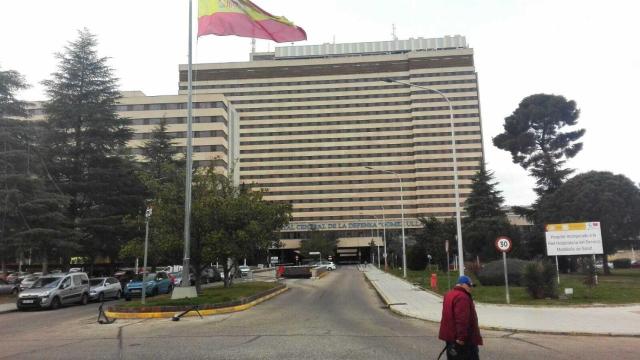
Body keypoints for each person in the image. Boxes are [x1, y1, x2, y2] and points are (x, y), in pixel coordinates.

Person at [438, 275, 483, 360]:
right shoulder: (462, 297)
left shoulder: (449, 294)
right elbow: (462, 319)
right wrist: (461, 338)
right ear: (463, 285)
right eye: (469, 285)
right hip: (463, 340)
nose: (471, 288)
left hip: (450, 337)